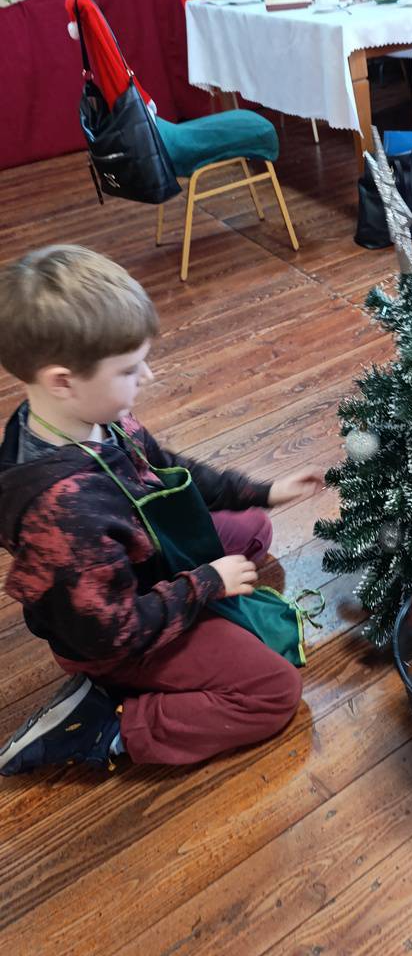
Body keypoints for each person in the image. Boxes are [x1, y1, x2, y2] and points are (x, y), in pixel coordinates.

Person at [0, 245, 324, 775]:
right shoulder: (63, 514)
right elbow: (113, 633)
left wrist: (262, 491)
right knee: (274, 692)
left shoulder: (88, 415)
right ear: (62, 380)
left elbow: (169, 467)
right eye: (129, 369)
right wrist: (207, 584)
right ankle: (105, 725)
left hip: (138, 566)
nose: (147, 376)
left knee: (255, 528)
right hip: (113, 639)